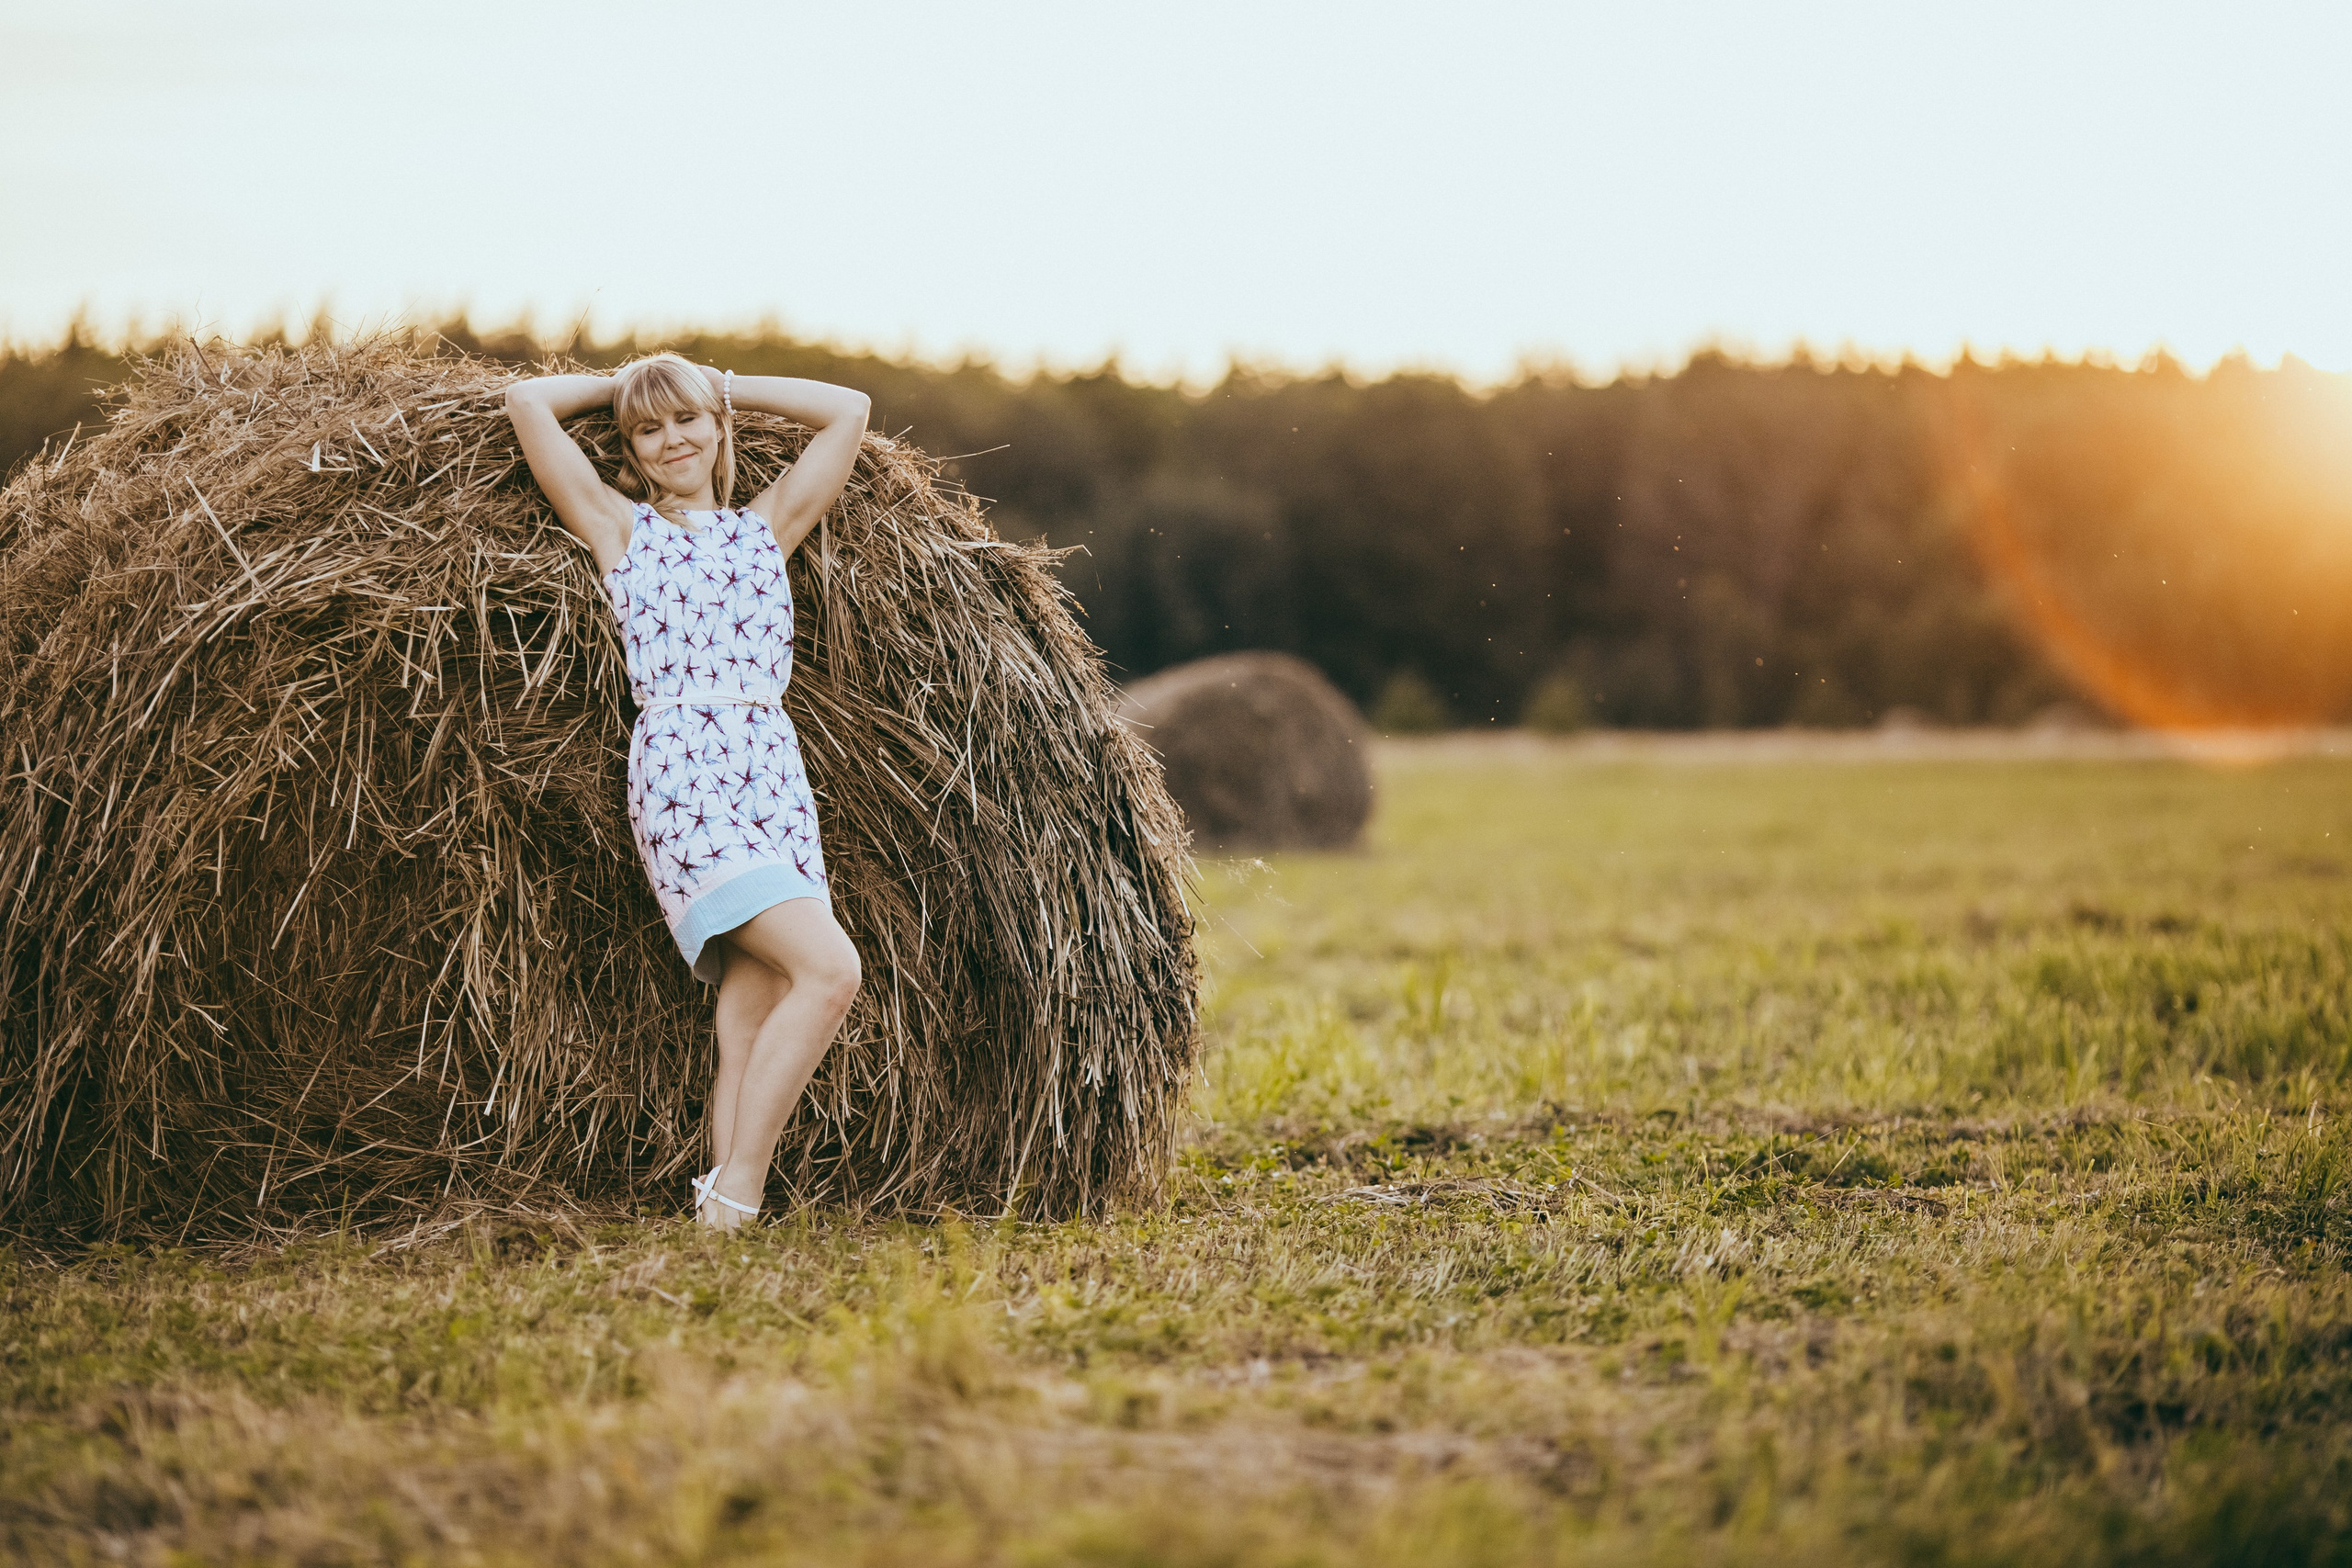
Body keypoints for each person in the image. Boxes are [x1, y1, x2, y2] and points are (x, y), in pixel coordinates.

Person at [504, 354, 872, 1230]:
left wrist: (716, 383)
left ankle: (718, 1206)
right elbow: (525, 400)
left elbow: (850, 410)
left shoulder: (766, 527)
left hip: (773, 778)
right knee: (831, 971)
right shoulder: (619, 527)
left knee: (751, 1005)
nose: (672, 440)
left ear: (716, 428)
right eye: (648, 429)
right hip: (685, 778)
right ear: (628, 450)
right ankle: (741, 1190)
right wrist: (628, 380)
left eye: (687, 420)